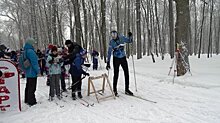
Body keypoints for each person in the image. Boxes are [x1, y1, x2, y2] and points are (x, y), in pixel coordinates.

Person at [106, 30, 133, 96]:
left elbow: (129, 41)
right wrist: (108, 62)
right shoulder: (111, 42)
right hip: (116, 58)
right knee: (116, 74)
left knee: (126, 73)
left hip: (123, 57)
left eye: (114, 34)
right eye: (112, 35)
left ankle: (127, 89)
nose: (113, 36)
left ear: (117, 34)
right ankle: (115, 90)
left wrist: (130, 36)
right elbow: (109, 52)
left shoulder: (122, 37)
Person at [22, 38, 39, 106]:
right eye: (33, 43)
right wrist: (38, 71)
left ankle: (27, 99)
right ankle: (31, 101)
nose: (34, 45)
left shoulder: (25, 51)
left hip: (27, 71)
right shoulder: (31, 51)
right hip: (32, 72)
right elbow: (34, 62)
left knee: (28, 86)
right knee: (32, 87)